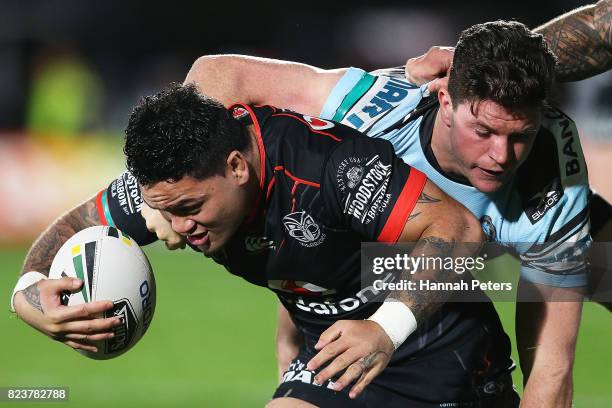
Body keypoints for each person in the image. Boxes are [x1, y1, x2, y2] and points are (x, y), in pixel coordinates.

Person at [169, 19, 603, 408]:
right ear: (444, 99)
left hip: (495, 258)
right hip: (403, 273)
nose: (500, 156)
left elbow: (550, 368)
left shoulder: (553, 195)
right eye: (483, 130)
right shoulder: (374, 113)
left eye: (520, 136)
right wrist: (173, 180)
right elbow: (218, 73)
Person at [12, 80, 525, 406]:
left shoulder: (331, 170)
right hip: (333, 361)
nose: (181, 228)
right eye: (165, 211)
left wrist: (384, 330)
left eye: (191, 210)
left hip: (442, 354)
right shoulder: (177, 182)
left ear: (237, 168)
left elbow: (459, 233)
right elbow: (73, 223)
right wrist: (29, 293)